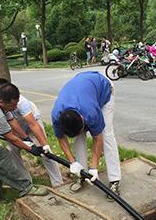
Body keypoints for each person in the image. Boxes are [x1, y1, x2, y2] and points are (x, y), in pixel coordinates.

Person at [51, 71, 121, 199]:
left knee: (107, 135)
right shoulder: (57, 115)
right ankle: (81, 175)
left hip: (103, 88)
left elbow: (97, 138)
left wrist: (94, 166)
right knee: (79, 138)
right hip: (83, 87)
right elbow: (61, 138)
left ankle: (114, 180)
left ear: (83, 119)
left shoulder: (91, 112)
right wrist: (72, 162)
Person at [0, 78, 63, 187]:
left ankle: (58, 183)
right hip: (14, 128)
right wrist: (25, 141)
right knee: (12, 150)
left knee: (46, 152)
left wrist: (44, 144)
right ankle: (26, 183)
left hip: (31, 122)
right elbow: (10, 127)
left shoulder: (21, 101)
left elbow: (32, 124)